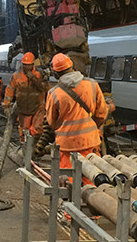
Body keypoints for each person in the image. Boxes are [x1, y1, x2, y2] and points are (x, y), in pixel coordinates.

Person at [45, 53, 109, 182]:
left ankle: (70, 201)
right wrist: (90, 126)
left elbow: (51, 122)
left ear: (56, 74)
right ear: (72, 67)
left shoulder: (54, 93)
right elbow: (102, 113)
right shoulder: (92, 85)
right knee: (91, 178)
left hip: (66, 146)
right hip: (90, 142)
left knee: (69, 183)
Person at [3, 52, 47, 144]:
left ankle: (33, 150)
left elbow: (44, 88)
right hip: (23, 110)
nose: (26, 67)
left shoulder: (39, 75)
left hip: (38, 108)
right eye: (24, 65)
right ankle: (24, 152)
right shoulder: (17, 76)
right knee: (24, 131)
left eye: (28, 65)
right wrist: (6, 106)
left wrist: (33, 78)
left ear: (32, 65)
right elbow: (9, 90)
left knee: (37, 129)